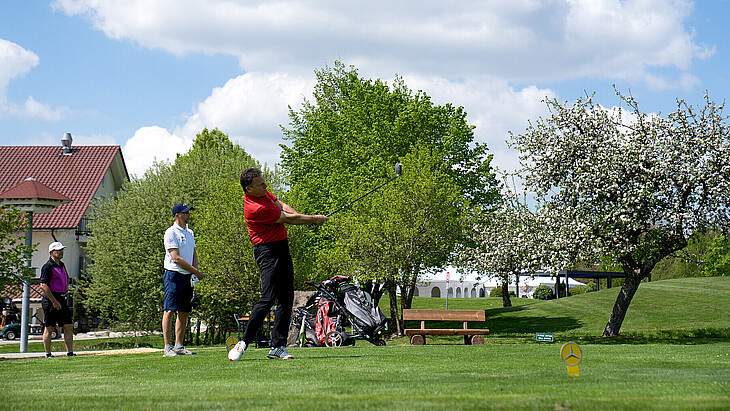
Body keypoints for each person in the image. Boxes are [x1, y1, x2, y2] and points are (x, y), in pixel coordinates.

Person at [229, 168, 327, 361]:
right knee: (267, 298)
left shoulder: (263, 194)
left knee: (286, 299)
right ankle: (244, 342)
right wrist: (314, 219)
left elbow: (281, 205)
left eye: (264, 182)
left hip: (282, 248)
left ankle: (278, 347)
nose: (265, 186)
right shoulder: (255, 208)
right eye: (260, 184)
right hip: (267, 252)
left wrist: (301, 216)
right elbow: (287, 219)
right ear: (249, 189)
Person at [162, 203, 204, 357]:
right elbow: (176, 258)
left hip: (187, 276)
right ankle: (167, 347)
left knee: (184, 311)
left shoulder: (190, 232)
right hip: (173, 275)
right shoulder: (171, 232)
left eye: (188, 212)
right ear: (177, 215)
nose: (188, 215)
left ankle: (179, 346)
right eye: (185, 213)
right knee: (169, 310)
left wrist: (194, 272)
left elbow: (194, 253)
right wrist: (196, 271)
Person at [40, 241, 74, 358]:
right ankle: (48, 354)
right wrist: (54, 301)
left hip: (62, 298)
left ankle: (70, 352)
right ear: (51, 252)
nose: (61, 252)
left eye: (62, 250)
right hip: (51, 299)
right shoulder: (48, 266)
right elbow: (43, 285)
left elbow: (66, 278)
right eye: (58, 250)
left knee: (68, 325)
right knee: (50, 327)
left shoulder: (62, 265)